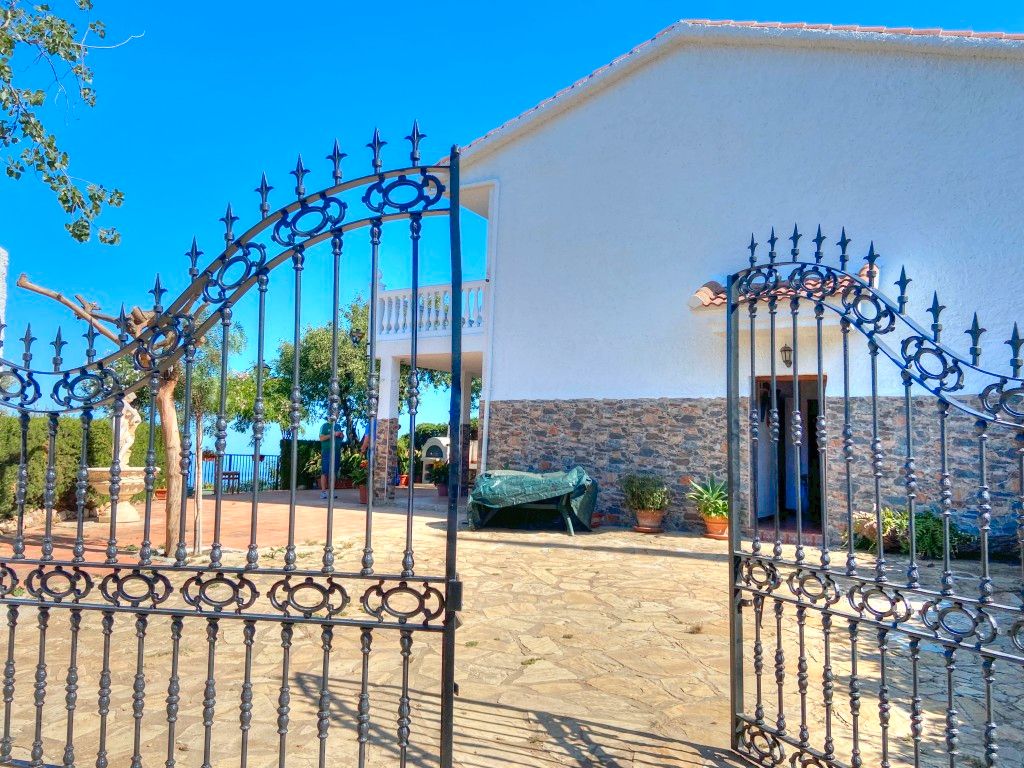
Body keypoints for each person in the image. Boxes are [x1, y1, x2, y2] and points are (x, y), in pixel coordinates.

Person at [319, 420, 344, 498]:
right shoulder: (325, 426)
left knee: (334, 472)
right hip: (327, 451)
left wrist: (341, 435)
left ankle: (332, 492)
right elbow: (321, 438)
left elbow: (341, 438)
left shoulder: (338, 426)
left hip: (336, 451)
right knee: (325, 471)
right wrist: (333, 434)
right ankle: (323, 492)